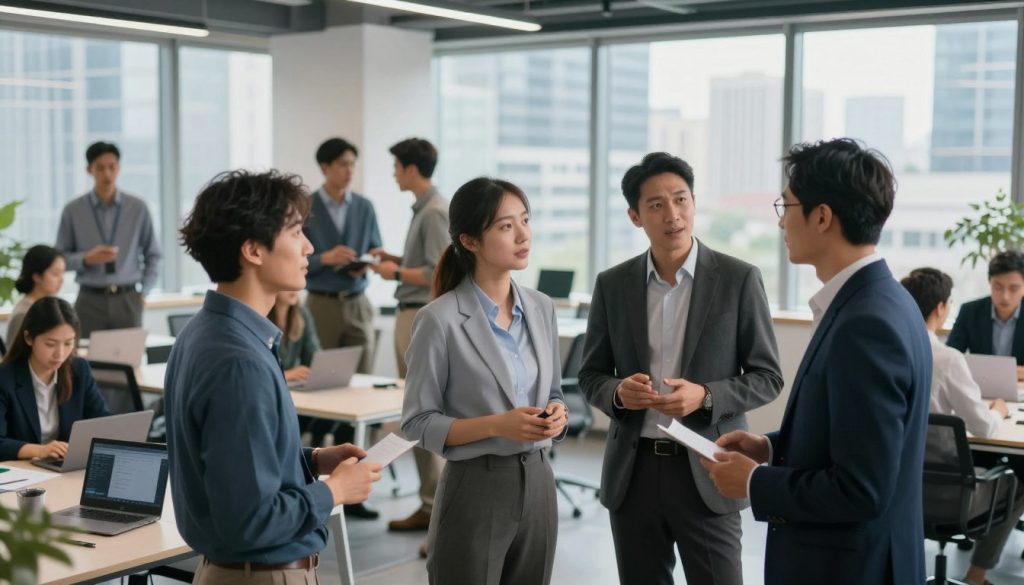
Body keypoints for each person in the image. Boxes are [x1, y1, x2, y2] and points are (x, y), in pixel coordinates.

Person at [701, 138, 932, 585]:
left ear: (822, 217)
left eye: (785, 206)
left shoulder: (866, 324)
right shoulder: (883, 300)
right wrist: (771, 446)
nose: (781, 221)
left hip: (848, 567)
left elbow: (861, 489)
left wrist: (754, 483)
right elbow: (856, 436)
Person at [577, 152, 783, 585]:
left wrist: (705, 397)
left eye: (680, 199)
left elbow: (768, 377)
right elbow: (591, 374)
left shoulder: (739, 278)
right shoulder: (612, 285)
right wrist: (616, 392)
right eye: (655, 204)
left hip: (707, 468)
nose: (672, 214)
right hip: (633, 474)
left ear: (693, 202)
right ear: (636, 216)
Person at [167, 169, 382, 584]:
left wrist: (312, 461)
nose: (309, 247)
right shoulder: (239, 360)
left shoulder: (207, 332)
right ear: (253, 250)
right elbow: (250, 519)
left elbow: (232, 468)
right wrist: (336, 491)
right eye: (296, 232)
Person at [401, 177, 569, 585]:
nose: (523, 234)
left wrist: (558, 414)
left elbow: (553, 391)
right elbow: (416, 422)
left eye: (525, 220)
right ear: (470, 240)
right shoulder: (438, 320)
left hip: (541, 483)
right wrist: (498, 424)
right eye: (506, 226)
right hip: (476, 485)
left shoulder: (542, 307)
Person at [901, 267, 1024, 585]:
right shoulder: (946, 359)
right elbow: (986, 428)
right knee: (1020, 479)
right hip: (950, 495)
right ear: (941, 307)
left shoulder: (888, 351)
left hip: (901, 486)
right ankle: (976, 574)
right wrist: (996, 410)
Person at [369, 138, 449, 543]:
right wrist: (397, 260)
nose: (394, 174)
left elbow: (437, 269)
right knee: (417, 412)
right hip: (412, 311)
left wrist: (394, 274)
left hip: (417, 311)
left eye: (396, 167)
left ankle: (435, 508)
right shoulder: (426, 209)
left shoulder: (434, 211)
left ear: (411, 169)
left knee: (420, 412)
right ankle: (429, 502)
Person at [55, 141, 162, 337]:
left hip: (128, 298)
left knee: (129, 362)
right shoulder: (73, 210)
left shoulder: (138, 208)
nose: (107, 174)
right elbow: (59, 259)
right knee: (85, 363)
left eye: (112, 167)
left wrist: (144, 291)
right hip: (89, 300)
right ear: (89, 170)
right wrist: (85, 259)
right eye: (100, 168)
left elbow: (153, 255)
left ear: (119, 168)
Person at [304, 137, 381, 374]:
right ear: (324, 167)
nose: (349, 171)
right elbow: (291, 260)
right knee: (321, 376)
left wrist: (366, 263)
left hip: (357, 301)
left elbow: (376, 249)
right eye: (342, 164)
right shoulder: (305, 206)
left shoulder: (364, 206)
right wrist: (325, 258)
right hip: (321, 304)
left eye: (352, 164)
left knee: (363, 375)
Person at [0, 297, 109, 461]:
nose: (60, 354)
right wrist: (41, 451)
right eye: (50, 344)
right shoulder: (5, 378)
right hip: (22, 471)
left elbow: (102, 420)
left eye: (68, 343)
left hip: (65, 468)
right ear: (29, 338)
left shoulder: (79, 370)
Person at [947, 250, 1024, 381]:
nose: (1005, 296)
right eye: (998, 287)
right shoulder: (970, 311)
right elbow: (951, 356)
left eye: (1013, 289)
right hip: (981, 389)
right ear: (989, 282)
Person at [8, 245, 66, 342]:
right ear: (37, 276)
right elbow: (15, 355)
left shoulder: (54, 306)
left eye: (63, 273)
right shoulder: (23, 314)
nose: (61, 280)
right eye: (56, 273)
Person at [269, 290, 321, 383]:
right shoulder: (261, 317)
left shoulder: (302, 314)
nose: (294, 289)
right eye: (288, 285)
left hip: (293, 385)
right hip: (272, 385)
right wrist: (287, 375)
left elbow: (313, 355)